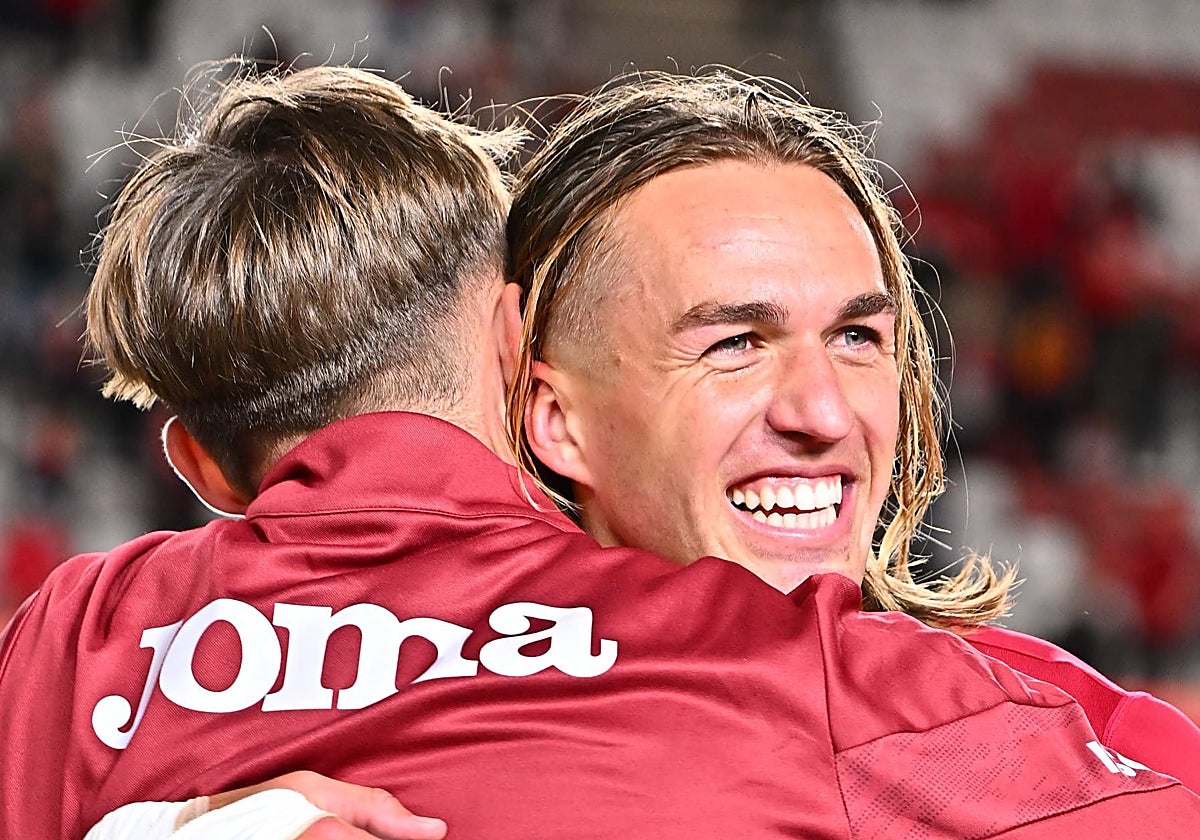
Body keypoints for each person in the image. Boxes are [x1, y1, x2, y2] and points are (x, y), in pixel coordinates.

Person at [7, 64, 1198, 840]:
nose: (824, 412)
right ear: (537, 390)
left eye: (860, 335)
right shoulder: (833, 692)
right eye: (732, 343)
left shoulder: (72, 649)